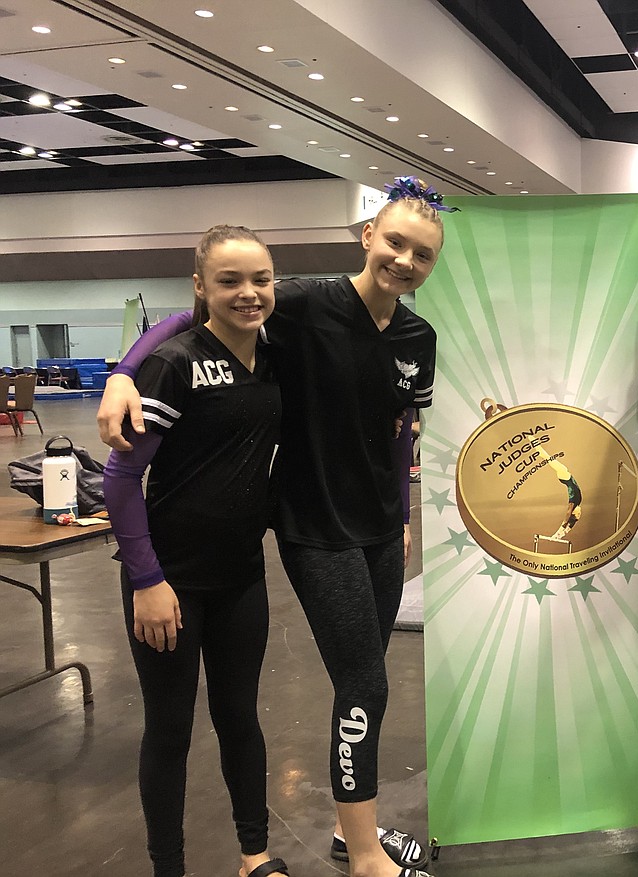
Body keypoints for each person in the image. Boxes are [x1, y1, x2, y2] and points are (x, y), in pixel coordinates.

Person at [98, 177, 450, 877]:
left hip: (378, 528)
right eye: (395, 242)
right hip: (315, 525)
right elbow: (194, 315)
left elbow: (400, 433)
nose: (405, 261)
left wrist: (405, 517)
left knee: (364, 682)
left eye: (422, 254)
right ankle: (365, 854)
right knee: (366, 684)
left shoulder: (419, 336)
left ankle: (350, 834)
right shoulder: (305, 302)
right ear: (367, 237)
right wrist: (122, 370)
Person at [103, 226, 288, 877]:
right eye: (230, 280)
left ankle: (255, 853)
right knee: (171, 729)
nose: (248, 293)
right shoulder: (174, 362)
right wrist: (147, 579)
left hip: (241, 577)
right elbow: (120, 480)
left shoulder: (276, 352)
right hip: (169, 582)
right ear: (200, 287)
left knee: (240, 715)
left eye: (260, 279)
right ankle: (169, 868)